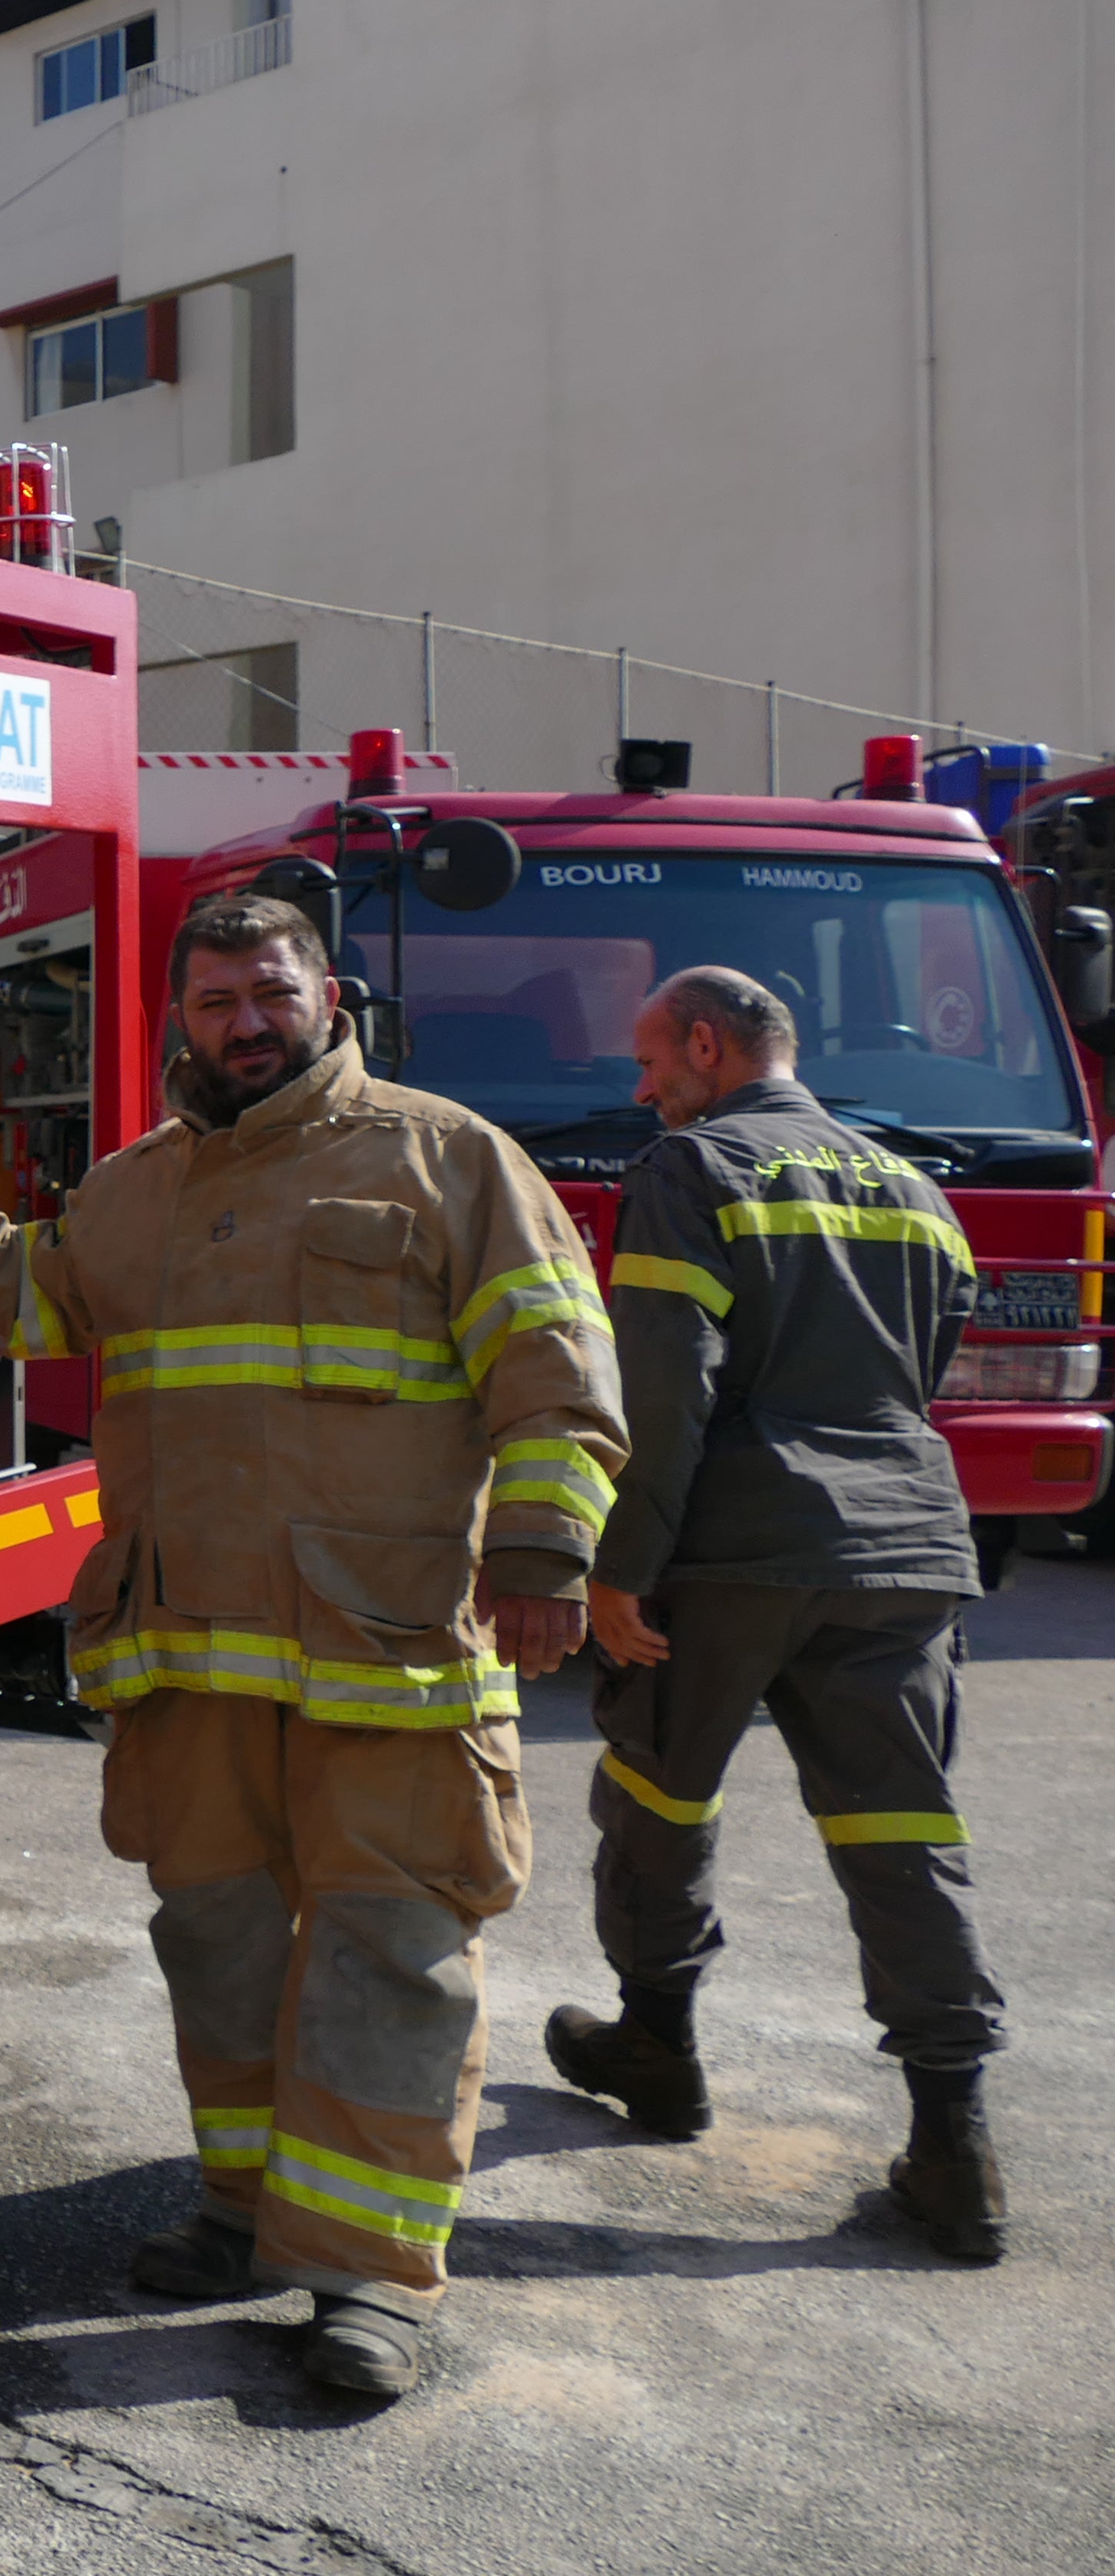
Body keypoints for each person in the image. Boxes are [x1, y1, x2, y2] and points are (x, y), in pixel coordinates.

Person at [0, 891, 623, 2398]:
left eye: (268, 993)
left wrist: (544, 1553)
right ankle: (243, 2208)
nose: (244, 1023)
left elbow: (557, 1367)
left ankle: (370, 2282)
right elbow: (25, 1298)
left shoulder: (447, 1157)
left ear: (326, 995)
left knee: (389, 1952)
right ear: (178, 1019)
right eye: (214, 1002)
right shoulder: (142, 1186)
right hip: (191, 1655)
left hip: (391, 1651)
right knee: (215, 1943)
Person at [543, 967, 1008, 2260]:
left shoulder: (691, 1172)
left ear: (708, 1043)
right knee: (905, 1834)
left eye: (652, 1062)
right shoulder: (917, 1188)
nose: (642, 1090)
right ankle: (954, 2147)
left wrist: (620, 1564)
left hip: (736, 1553)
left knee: (658, 1800)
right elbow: (923, 1372)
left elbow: (666, 1384)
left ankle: (659, 2051)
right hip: (908, 1548)